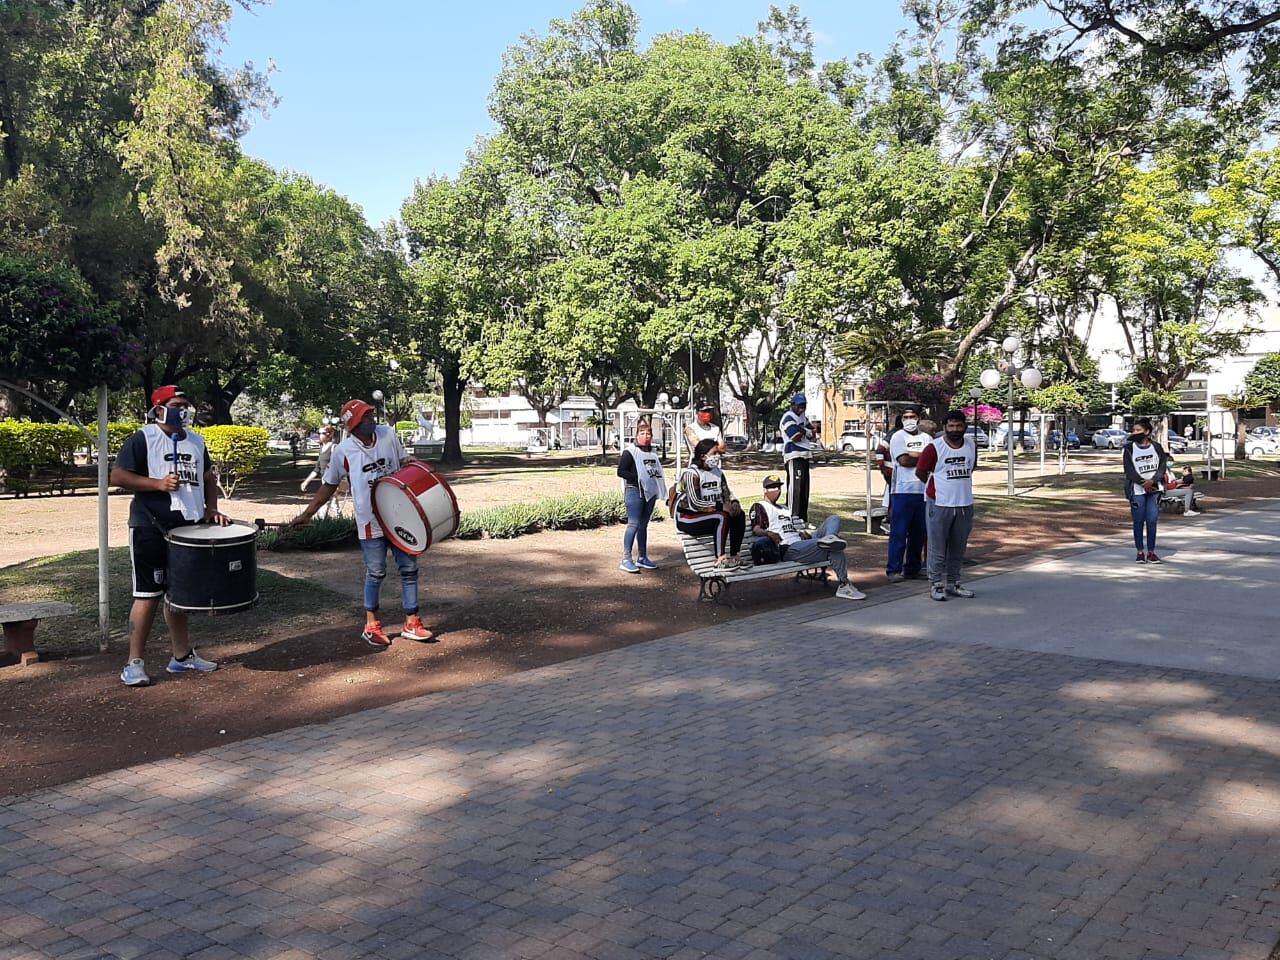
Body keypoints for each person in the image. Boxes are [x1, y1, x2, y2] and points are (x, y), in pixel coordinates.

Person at [109, 385, 228, 687]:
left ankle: (181, 656)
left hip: (187, 530)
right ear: (159, 409)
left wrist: (211, 507)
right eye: (177, 404)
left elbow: (207, 477)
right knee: (148, 595)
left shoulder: (198, 442)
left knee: (179, 595)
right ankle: (134, 663)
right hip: (150, 528)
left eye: (186, 404)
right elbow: (118, 476)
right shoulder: (143, 438)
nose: (184, 410)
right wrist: (157, 484)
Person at [291, 399, 432, 646]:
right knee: (376, 572)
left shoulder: (388, 435)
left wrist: (415, 467)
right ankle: (372, 626)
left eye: (371, 415)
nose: (371, 419)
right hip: (370, 521)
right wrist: (307, 514)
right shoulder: (344, 451)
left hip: (400, 515)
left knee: (409, 569)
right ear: (353, 423)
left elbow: (404, 463)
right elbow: (329, 485)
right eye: (365, 417)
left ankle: (412, 622)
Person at [749, 475, 865, 600]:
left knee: (834, 519)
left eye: (779, 487)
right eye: (772, 487)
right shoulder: (760, 506)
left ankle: (829, 539)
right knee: (834, 548)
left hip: (803, 542)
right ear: (765, 490)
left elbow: (790, 529)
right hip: (788, 548)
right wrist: (768, 533)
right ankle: (844, 585)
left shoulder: (785, 508)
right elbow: (756, 529)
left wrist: (802, 533)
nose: (777, 490)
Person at [915, 410, 978, 601]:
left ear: (964, 427)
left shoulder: (971, 444)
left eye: (959, 426)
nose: (955, 429)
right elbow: (921, 472)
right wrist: (938, 487)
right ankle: (936, 584)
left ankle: (953, 583)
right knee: (937, 547)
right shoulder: (934, 448)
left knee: (958, 547)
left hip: (964, 503)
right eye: (951, 426)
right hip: (940, 503)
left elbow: (971, 467)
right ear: (945, 428)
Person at [675, 438, 745, 569]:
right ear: (703, 456)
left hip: (710, 516)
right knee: (721, 516)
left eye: (718, 453)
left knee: (739, 515)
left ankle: (735, 555)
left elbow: (726, 493)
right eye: (714, 453)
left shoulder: (718, 473)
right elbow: (694, 503)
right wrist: (720, 506)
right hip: (688, 518)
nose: (717, 457)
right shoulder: (692, 474)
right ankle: (720, 558)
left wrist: (734, 503)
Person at [886, 405, 929, 582]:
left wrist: (915, 455)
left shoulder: (927, 437)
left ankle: (913, 568)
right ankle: (893, 569)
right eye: (906, 417)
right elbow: (904, 461)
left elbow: (932, 459)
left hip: (923, 491)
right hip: (902, 491)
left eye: (912, 416)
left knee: (919, 533)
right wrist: (922, 456)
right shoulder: (897, 437)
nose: (909, 420)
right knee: (899, 533)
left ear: (919, 418)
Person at [618, 419, 667, 573]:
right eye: (642, 433)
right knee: (633, 524)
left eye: (648, 434)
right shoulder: (630, 451)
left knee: (644, 525)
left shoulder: (652, 453)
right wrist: (636, 477)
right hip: (634, 491)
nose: (646, 436)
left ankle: (642, 557)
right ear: (637, 435)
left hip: (649, 493)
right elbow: (621, 471)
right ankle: (626, 558)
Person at [1124, 417, 1169, 563]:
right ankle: (1139, 552)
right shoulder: (1129, 448)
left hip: (1154, 489)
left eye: (1139, 430)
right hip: (1137, 490)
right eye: (1134, 430)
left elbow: (1162, 465)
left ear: (1147, 431)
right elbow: (1129, 470)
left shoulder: (1156, 447)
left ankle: (1151, 552)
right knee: (1138, 521)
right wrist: (1143, 483)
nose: (1135, 432)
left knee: (1151, 521)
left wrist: (1153, 481)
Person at [780, 393, 817, 522]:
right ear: (793, 405)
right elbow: (795, 436)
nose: (802, 409)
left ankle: (802, 519)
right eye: (800, 406)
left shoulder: (803, 417)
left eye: (804, 406)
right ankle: (792, 516)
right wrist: (804, 431)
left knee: (804, 488)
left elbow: (813, 433)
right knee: (795, 488)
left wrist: (804, 431)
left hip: (805, 455)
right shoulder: (788, 417)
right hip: (793, 455)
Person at [300, 425, 336, 494]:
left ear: (330, 434)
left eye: (322, 433)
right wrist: (306, 481)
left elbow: (338, 467)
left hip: (332, 482)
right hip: (324, 480)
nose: (320, 435)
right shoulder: (322, 448)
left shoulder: (334, 447)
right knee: (326, 503)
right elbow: (317, 468)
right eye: (319, 433)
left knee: (330, 503)